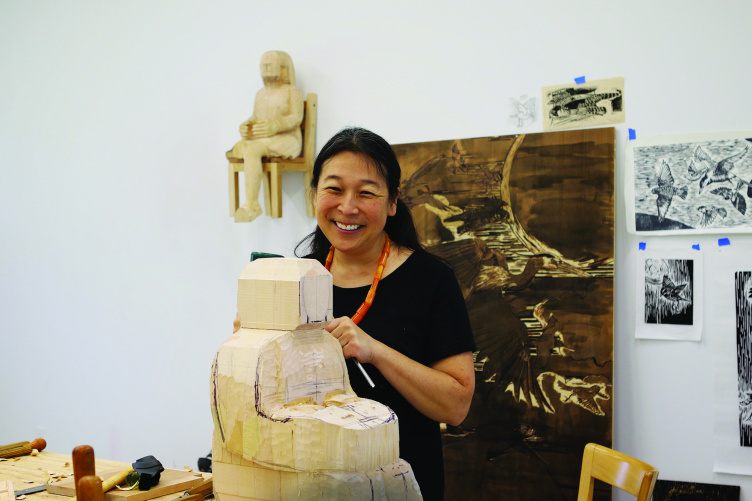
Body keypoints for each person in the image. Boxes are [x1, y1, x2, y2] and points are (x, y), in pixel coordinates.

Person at [294, 126, 476, 500]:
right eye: (334, 188)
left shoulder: (431, 279)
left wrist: (375, 351)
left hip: (399, 486)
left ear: (393, 202)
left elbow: (456, 405)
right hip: (310, 485)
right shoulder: (297, 277)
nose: (347, 207)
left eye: (366, 192)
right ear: (314, 194)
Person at [230, 51, 304, 222]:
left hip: (288, 140)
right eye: (263, 63)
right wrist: (246, 126)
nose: (265, 66)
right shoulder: (260, 94)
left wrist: (276, 125)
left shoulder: (292, 91)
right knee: (241, 148)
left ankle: (252, 205)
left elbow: (296, 117)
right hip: (263, 140)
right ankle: (250, 204)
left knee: (251, 149)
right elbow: (255, 117)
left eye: (271, 63)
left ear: (283, 67)